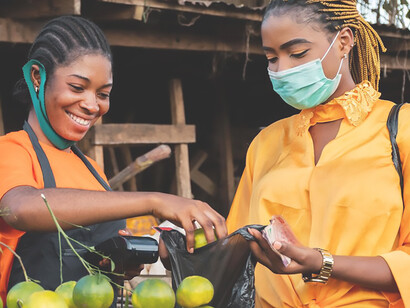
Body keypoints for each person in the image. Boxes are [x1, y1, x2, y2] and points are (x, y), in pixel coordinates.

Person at [0, 15, 227, 305]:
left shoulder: (92, 171)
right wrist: (154, 201)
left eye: (103, 94)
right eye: (77, 87)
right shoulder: (11, 150)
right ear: (36, 77)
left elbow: (94, 273)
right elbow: (20, 208)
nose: (92, 105)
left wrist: (120, 263)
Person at [227, 0, 410, 306]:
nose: (282, 69)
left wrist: (321, 263)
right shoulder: (266, 143)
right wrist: (183, 246)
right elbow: (238, 247)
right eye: (272, 58)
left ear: (344, 42)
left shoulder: (400, 129)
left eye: (297, 53)